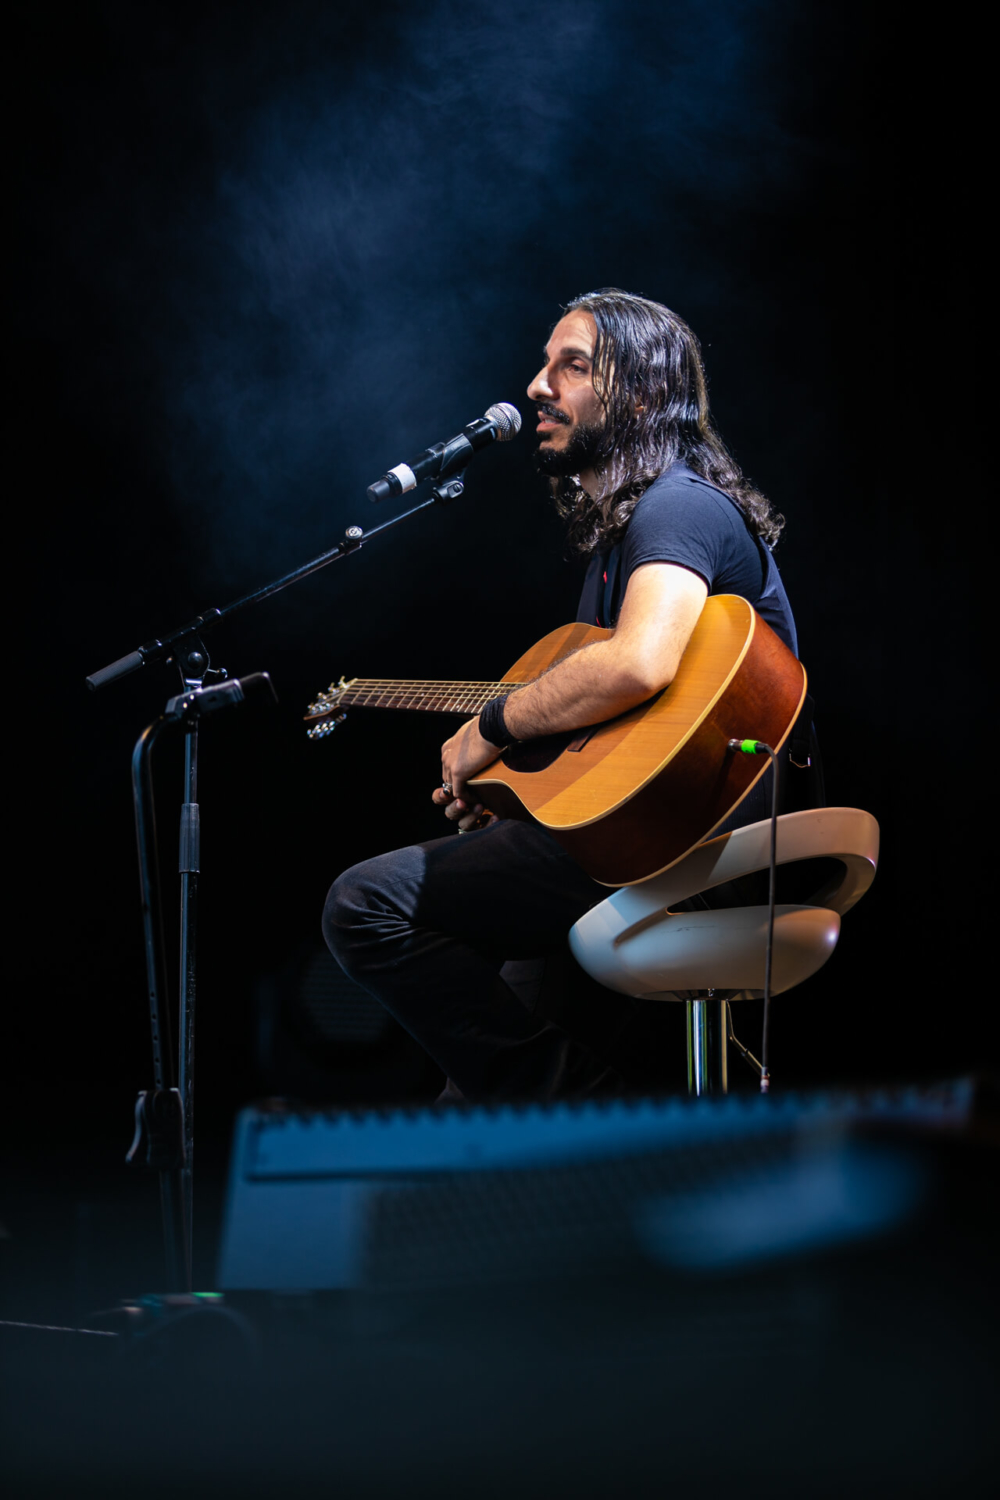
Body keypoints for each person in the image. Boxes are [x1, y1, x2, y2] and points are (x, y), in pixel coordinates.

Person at [323, 288, 809, 1103]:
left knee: (364, 906)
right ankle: (542, 1146)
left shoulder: (677, 506)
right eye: (544, 365)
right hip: (640, 835)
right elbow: (624, 739)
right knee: (479, 1076)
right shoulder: (623, 544)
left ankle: (594, 1120)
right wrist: (523, 796)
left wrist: (493, 725)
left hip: (703, 839)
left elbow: (635, 666)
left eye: (571, 366)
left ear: (644, 395)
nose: (536, 386)